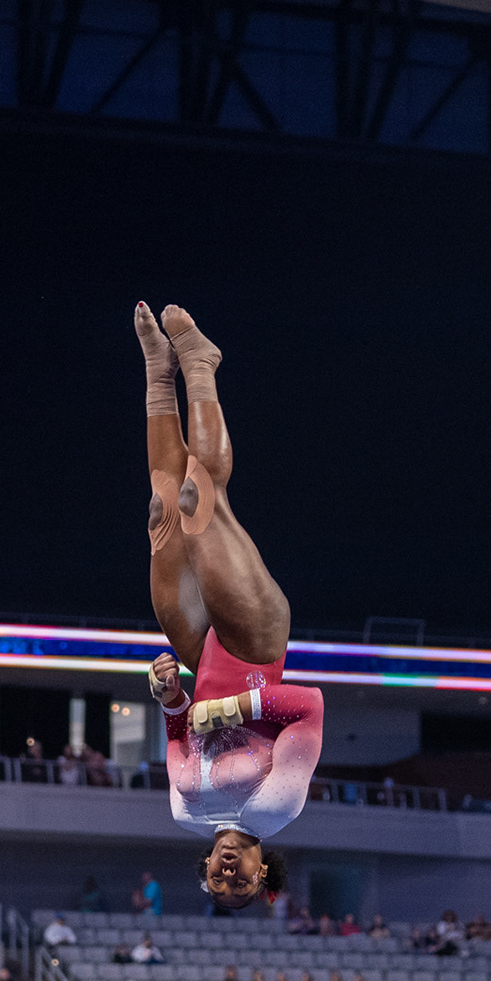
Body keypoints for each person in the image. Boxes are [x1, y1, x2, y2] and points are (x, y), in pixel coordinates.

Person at [135, 303, 325, 910]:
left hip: (201, 658)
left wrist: (172, 697)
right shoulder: (277, 807)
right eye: (241, 881)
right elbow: (309, 708)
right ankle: (200, 366)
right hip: (256, 646)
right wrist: (238, 707)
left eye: (217, 882)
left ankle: (158, 374)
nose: (228, 874)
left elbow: (178, 733)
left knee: (165, 510)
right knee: (201, 502)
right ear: (263, 870)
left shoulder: (185, 811)